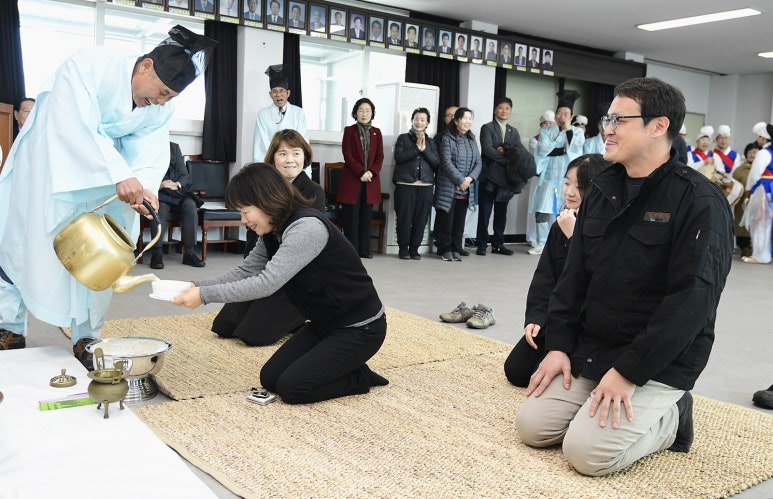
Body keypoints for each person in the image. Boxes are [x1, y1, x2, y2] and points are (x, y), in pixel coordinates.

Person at [516, 77, 733, 477]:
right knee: (532, 427)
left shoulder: (699, 201)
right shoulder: (602, 188)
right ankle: (602, 405)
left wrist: (629, 373)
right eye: (607, 118)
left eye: (619, 120)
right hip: (595, 347)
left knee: (587, 454)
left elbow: (691, 302)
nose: (608, 128)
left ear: (658, 126)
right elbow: (573, 277)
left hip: (657, 361)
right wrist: (559, 346)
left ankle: (673, 418)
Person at [0, 26, 216, 364]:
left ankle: (87, 337)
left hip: (108, 175)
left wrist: (145, 187)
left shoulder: (160, 107)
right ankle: (9, 328)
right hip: (49, 163)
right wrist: (119, 174)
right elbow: (71, 126)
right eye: (161, 92)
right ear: (146, 66)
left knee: (102, 253)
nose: (161, 102)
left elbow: (149, 151)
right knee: (24, 243)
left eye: (170, 97)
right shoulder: (90, 64)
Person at [172, 164, 388, 404]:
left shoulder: (306, 228)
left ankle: (358, 377)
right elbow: (246, 271)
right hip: (325, 323)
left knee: (293, 389)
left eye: (245, 212)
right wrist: (195, 285)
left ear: (264, 201)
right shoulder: (273, 230)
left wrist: (204, 295)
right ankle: (340, 365)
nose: (243, 220)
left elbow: (266, 283)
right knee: (270, 378)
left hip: (360, 327)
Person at [504, 154, 611, 387]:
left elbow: (597, 280)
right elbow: (545, 277)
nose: (570, 192)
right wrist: (536, 317)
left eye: (579, 186)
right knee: (517, 371)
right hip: (560, 318)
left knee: (556, 377)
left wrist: (575, 238)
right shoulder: (561, 223)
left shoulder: (609, 228)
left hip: (589, 325)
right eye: (566, 183)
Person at [211, 130, 325, 347]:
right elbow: (254, 238)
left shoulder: (314, 192)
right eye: (282, 154)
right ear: (272, 158)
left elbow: (306, 247)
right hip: (265, 269)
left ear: (305, 157)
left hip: (296, 277)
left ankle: (303, 315)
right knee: (224, 326)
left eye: (296, 153)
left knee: (252, 334)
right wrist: (250, 277)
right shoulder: (262, 189)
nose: (290, 160)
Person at [476, 97, 536, 256]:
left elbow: (517, 153)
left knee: (501, 212)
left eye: (507, 108)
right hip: (488, 177)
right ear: (495, 110)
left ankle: (498, 244)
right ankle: (482, 244)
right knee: (484, 212)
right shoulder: (487, 128)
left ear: (510, 111)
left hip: (506, 179)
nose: (504, 111)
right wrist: (508, 157)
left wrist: (509, 154)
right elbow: (488, 150)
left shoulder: (513, 131)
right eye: (501, 108)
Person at [529, 91, 585, 255]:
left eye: (566, 114)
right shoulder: (546, 131)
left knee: (564, 211)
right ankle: (541, 242)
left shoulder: (577, 132)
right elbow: (543, 149)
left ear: (571, 116)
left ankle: (561, 243)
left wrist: (567, 130)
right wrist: (563, 149)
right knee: (542, 209)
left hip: (566, 179)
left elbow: (576, 150)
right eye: (559, 113)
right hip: (548, 177)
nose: (562, 117)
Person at [146, 142, 205, 270]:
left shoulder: (174, 147)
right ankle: (156, 253)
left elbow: (184, 175)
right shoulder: (148, 146)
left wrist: (176, 184)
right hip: (160, 193)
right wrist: (161, 185)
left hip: (177, 192)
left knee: (190, 205)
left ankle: (189, 253)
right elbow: (144, 176)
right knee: (159, 208)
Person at [392, 107, 440, 260]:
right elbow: (399, 157)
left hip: (426, 186)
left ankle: (414, 249)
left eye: (423, 120)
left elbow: (437, 163)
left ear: (427, 123)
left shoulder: (431, 142)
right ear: (412, 121)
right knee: (404, 219)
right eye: (416, 119)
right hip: (405, 185)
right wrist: (416, 148)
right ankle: (403, 249)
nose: (419, 122)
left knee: (421, 220)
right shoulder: (403, 138)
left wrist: (424, 150)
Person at [435, 107, 481, 262]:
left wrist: (469, 179)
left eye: (470, 118)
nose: (468, 121)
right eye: (465, 118)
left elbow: (478, 162)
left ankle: (456, 248)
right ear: (456, 121)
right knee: (446, 221)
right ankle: (445, 249)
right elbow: (446, 162)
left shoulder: (472, 139)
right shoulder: (447, 138)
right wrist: (461, 180)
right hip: (449, 187)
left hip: (466, 188)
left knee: (459, 222)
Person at [340, 98, 384, 258]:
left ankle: (365, 250)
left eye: (367, 111)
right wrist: (361, 172)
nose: (364, 113)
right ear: (355, 113)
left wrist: (372, 172)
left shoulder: (377, 132)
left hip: (370, 181)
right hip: (352, 180)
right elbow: (347, 155)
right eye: (361, 110)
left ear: (372, 113)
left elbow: (380, 156)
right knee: (351, 218)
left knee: (366, 217)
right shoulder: (349, 131)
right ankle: (351, 251)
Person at [253, 65, 309, 167]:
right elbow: (261, 145)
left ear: (288, 93)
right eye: (274, 91)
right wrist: (276, 164)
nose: (278, 94)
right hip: (271, 166)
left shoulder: (298, 113)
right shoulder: (263, 114)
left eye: (282, 91)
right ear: (270, 94)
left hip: (292, 165)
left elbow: (302, 143)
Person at [741, 123, 773, 264]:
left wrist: (748, 188)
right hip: (770, 189)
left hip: (762, 189)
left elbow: (754, 174)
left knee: (759, 222)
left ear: (762, 138)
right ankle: (764, 254)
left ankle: (760, 255)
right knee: (767, 224)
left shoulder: (764, 153)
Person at [526, 110, 556, 248]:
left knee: (552, 210)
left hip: (554, 179)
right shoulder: (534, 140)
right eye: (545, 123)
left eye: (551, 123)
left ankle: (550, 239)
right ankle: (533, 238)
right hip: (539, 179)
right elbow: (545, 154)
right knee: (536, 209)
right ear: (541, 125)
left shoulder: (558, 139)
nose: (548, 125)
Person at [733, 142, 759, 258]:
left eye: (755, 152)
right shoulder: (739, 170)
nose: (752, 154)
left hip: (759, 202)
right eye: (749, 152)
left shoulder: (764, 169)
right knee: (742, 224)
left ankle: (757, 248)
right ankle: (744, 247)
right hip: (743, 202)